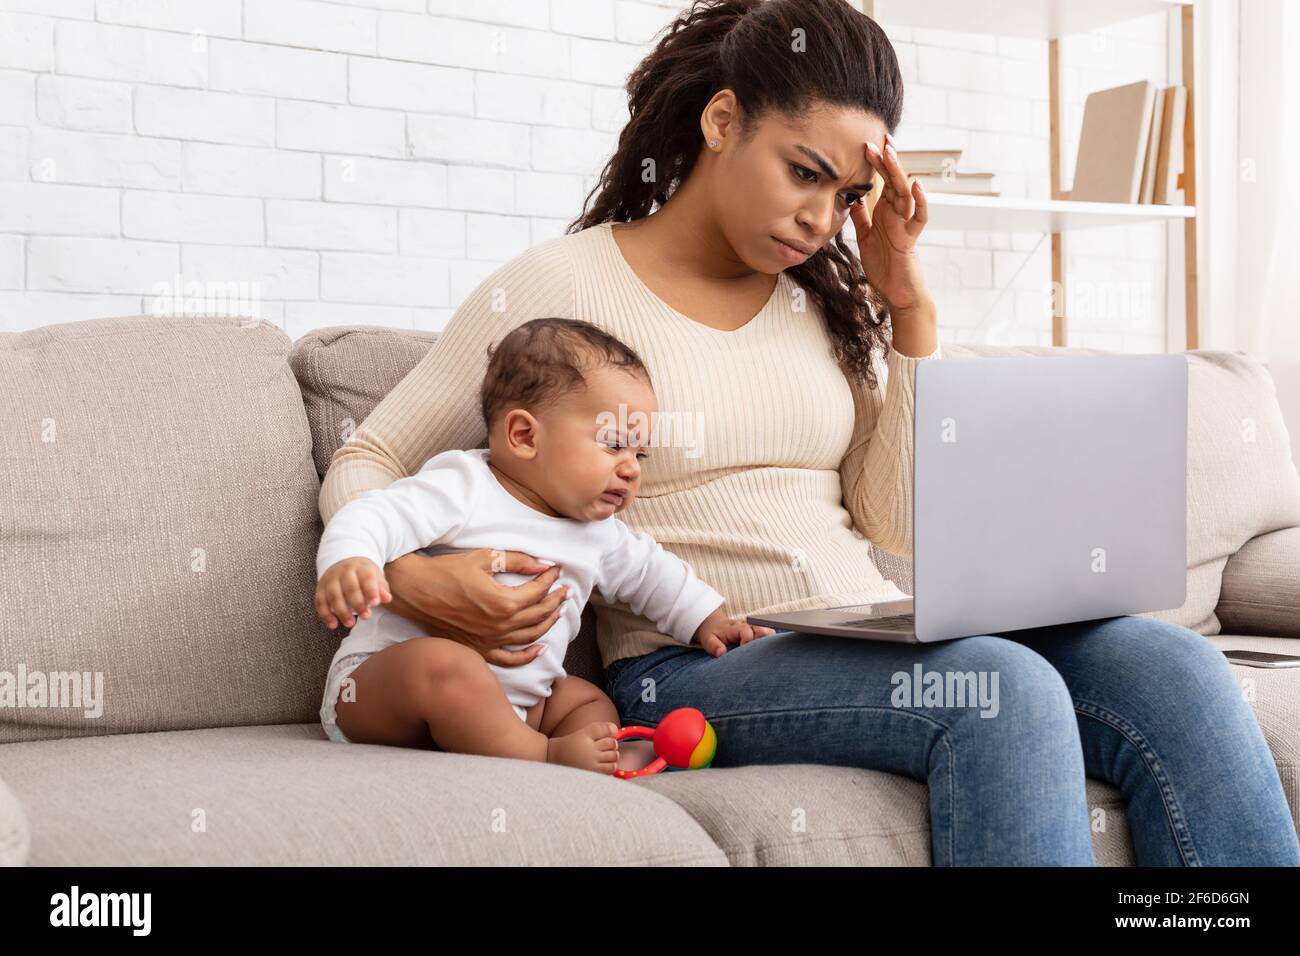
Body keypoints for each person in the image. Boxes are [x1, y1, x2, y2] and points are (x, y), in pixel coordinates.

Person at [318, 0, 1300, 865]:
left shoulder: (823, 305)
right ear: (720, 120)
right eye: (802, 171)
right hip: (686, 661)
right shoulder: (556, 287)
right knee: (997, 688)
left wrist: (904, 305)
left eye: (841, 194)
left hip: (863, 624)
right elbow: (372, 455)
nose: (818, 215)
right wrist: (405, 576)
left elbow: (893, 519)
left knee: (1171, 663)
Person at [315, 318, 772, 772]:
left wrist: (709, 620)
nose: (632, 468)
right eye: (614, 445)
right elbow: (374, 513)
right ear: (524, 436)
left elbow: (653, 574)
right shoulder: (464, 485)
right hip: (381, 694)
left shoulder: (598, 529)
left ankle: (594, 755)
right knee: (446, 664)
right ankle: (544, 755)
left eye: (640, 454)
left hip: (519, 706)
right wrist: (352, 558)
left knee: (582, 698)